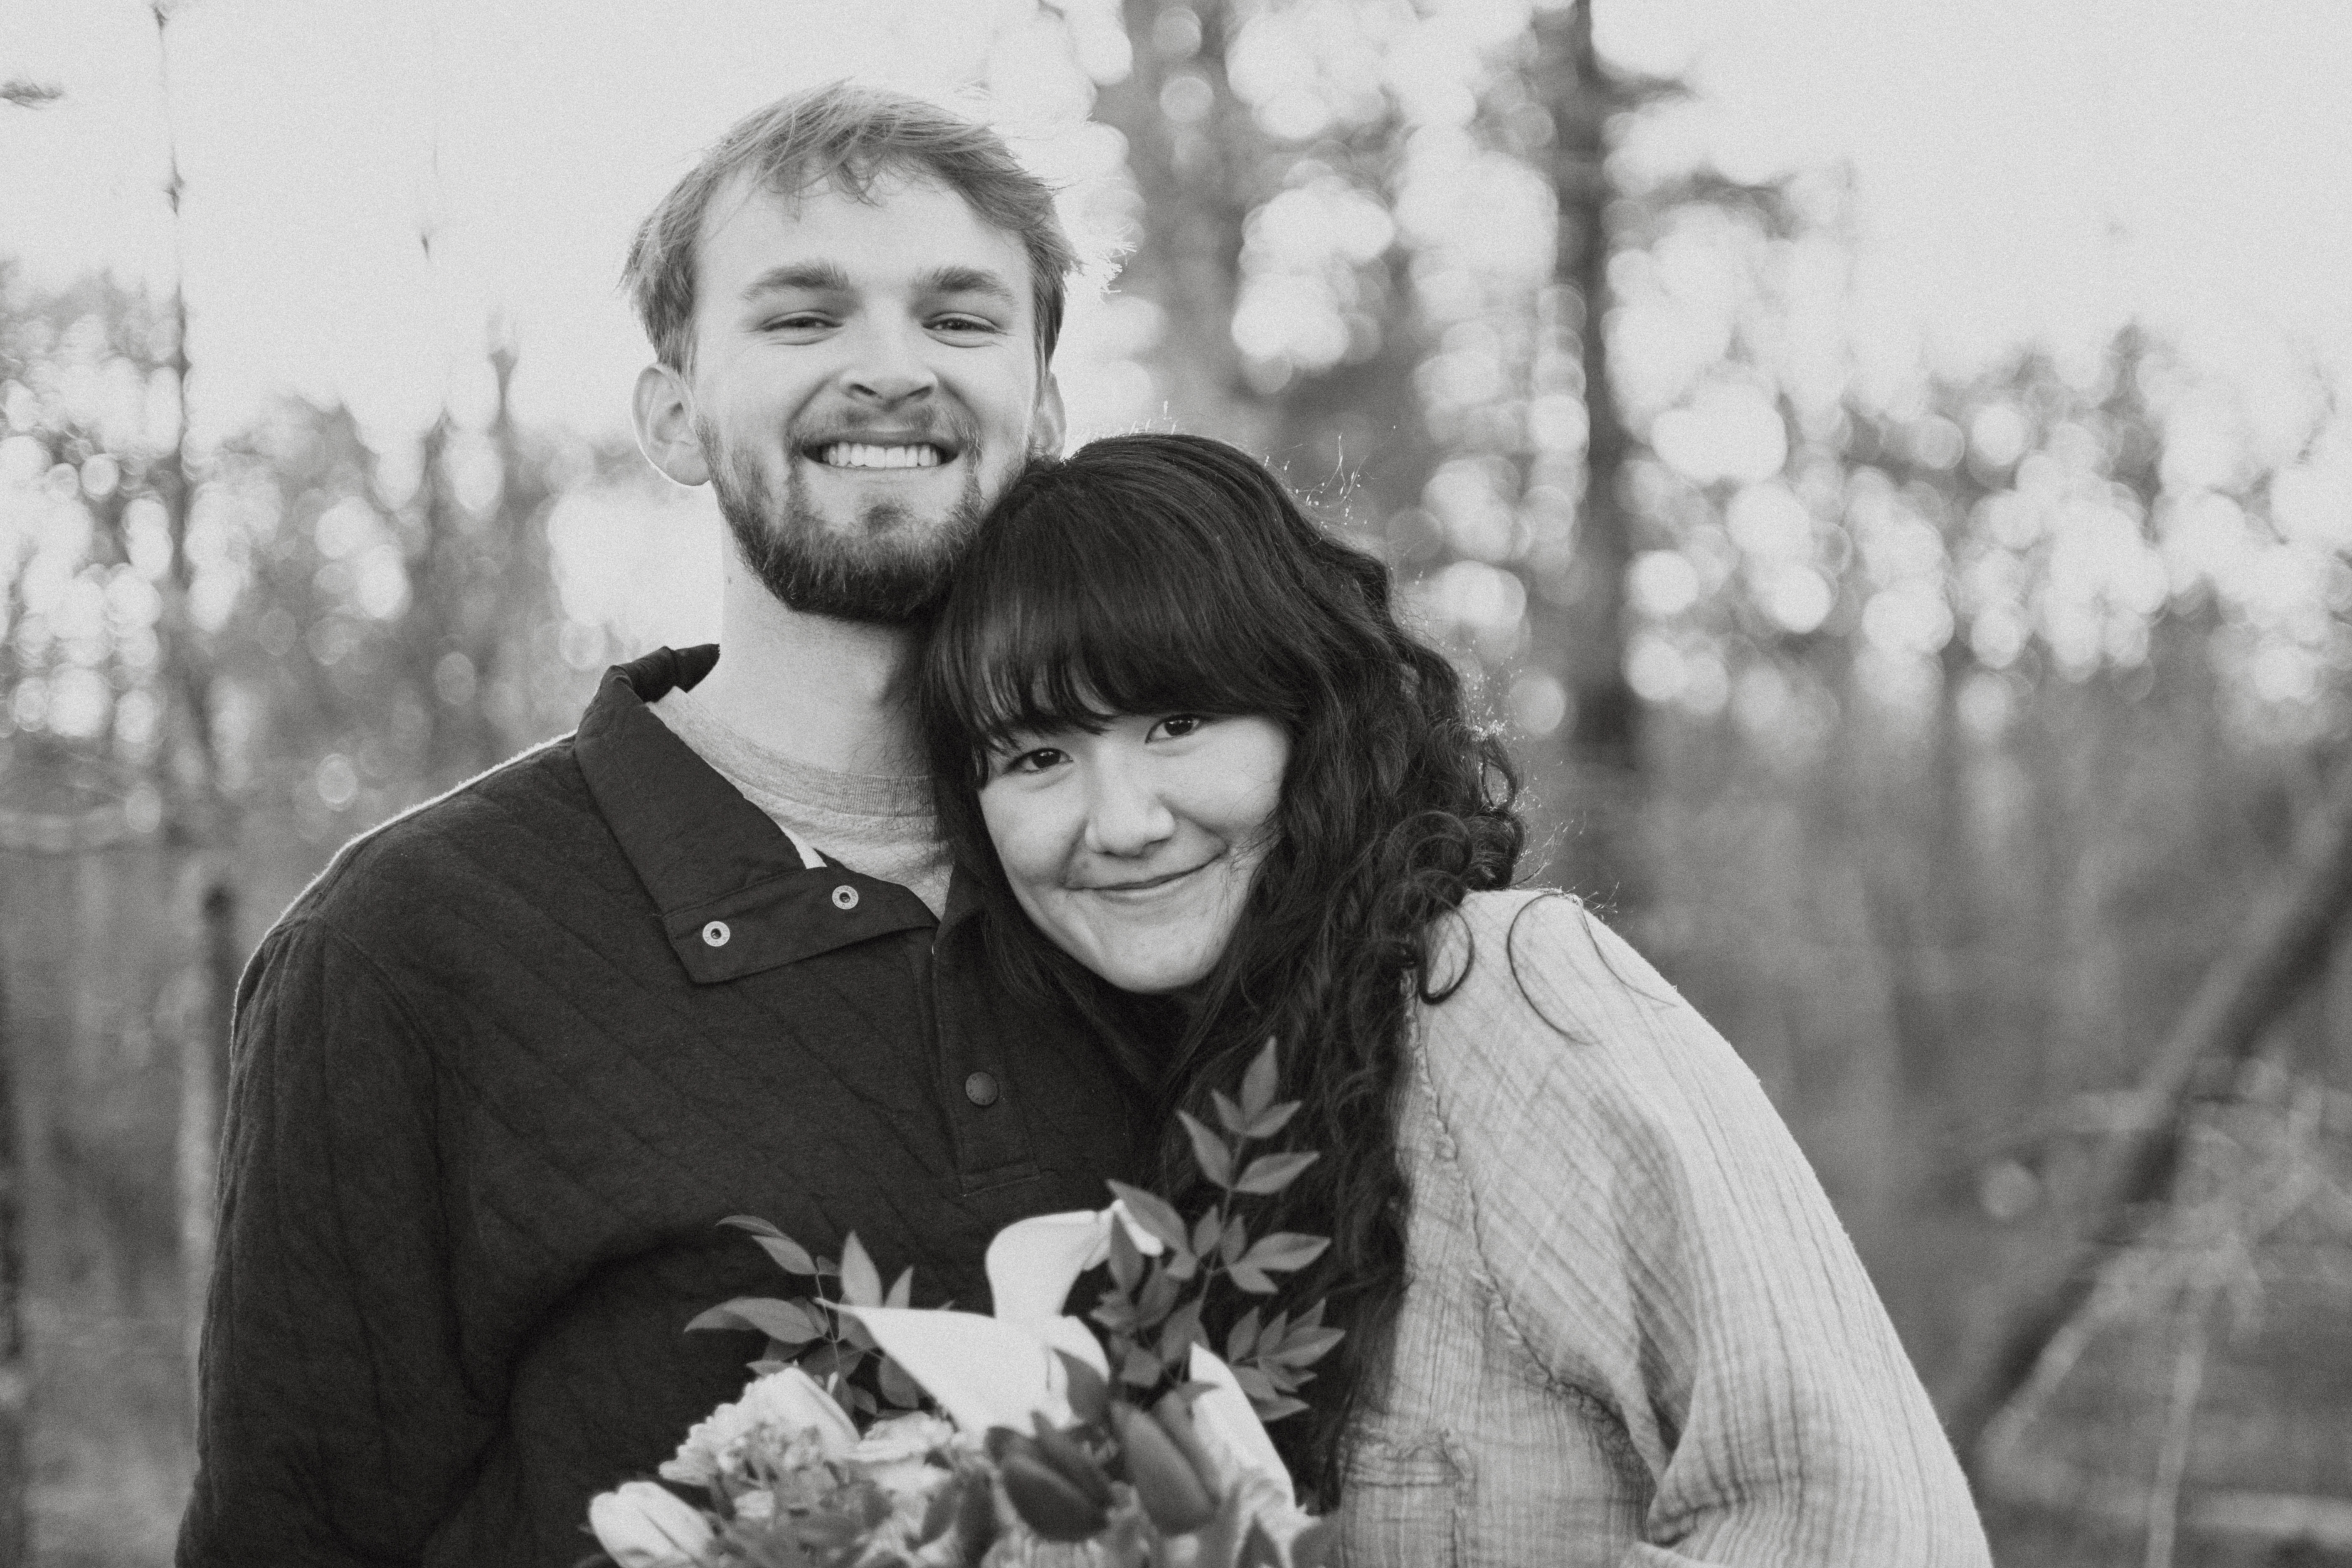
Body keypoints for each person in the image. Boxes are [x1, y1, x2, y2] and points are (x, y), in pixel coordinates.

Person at [178, 85, 1155, 1568]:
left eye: (959, 319)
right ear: (674, 419)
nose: (891, 370)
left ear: (1050, 413)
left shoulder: (1164, 883)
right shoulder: (404, 948)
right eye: (803, 317)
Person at [917, 433, 1997, 1566]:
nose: (1122, 821)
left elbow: (1862, 1526)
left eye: (1177, 724)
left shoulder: (1499, 995)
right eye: (1036, 757)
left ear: (1308, 714)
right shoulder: (1137, 1100)